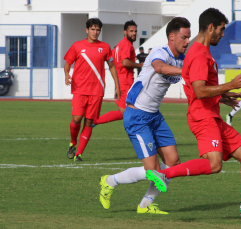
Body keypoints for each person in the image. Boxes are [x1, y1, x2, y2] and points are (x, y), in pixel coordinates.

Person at [145, 8, 241, 222]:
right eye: (221, 30)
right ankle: (163, 173)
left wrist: (223, 95)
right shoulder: (198, 55)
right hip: (202, 118)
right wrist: (229, 84)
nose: (223, 35)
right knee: (214, 164)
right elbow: (199, 90)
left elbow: (202, 90)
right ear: (211, 27)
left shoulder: (202, 52)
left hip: (211, 116)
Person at [98, 17, 191, 214]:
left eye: (189, 37)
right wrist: (187, 71)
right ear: (172, 36)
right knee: (153, 171)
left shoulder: (182, 58)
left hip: (154, 116)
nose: (187, 41)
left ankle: (145, 206)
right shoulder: (160, 52)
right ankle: (108, 182)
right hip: (137, 114)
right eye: (184, 37)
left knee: (173, 162)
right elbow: (159, 67)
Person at [64, 18, 120, 162]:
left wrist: (117, 85)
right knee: (76, 119)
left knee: (89, 122)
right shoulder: (77, 46)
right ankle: (73, 142)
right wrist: (66, 75)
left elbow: (112, 66)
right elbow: (68, 63)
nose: (95, 32)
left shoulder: (106, 47)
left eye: (98, 30)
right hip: (79, 89)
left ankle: (79, 154)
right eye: (93, 29)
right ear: (87, 30)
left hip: (97, 90)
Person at [93, 20, 143, 127]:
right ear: (125, 32)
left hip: (121, 81)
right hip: (125, 81)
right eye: (131, 31)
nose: (134, 33)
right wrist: (140, 65)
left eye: (135, 31)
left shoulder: (119, 45)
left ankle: (95, 121)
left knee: (125, 112)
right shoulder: (127, 45)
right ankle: (95, 121)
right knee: (126, 113)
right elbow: (125, 62)